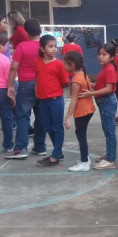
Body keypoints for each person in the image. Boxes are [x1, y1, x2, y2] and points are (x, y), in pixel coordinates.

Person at [5, 18, 46, 160]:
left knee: (22, 116)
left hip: (26, 83)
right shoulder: (45, 46)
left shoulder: (22, 46)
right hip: (42, 83)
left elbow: (14, 67)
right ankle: (40, 147)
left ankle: (21, 148)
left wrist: (10, 85)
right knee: (41, 116)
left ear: (26, 32)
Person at [78, 43, 117, 170]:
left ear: (111, 57)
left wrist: (91, 93)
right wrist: (93, 85)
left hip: (107, 102)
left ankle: (111, 160)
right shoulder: (105, 68)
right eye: (99, 54)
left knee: (110, 131)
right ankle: (109, 154)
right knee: (107, 130)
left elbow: (108, 89)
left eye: (104, 54)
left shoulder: (110, 68)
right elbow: (103, 85)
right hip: (104, 102)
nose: (100, 57)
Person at [35, 35, 69, 167]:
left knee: (57, 127)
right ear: (42, 48)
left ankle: (55, 156)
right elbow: (37, 79)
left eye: (55, 46)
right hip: (43, 101)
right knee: (48, 127)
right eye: (50, 46)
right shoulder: (38, 62)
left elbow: (65, 82)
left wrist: (53, 90)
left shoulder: (59, 64)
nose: (54, 49)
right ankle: (58, 151)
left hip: (55, 101)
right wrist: (38, 92)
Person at [63, 51, 96, 172]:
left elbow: (74, 100)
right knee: (80, 133)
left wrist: (67, 118)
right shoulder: (82, 74)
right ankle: (85, 157)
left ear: (72, 65)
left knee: (81, 135)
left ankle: (84, 162)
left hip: (83, 111)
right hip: (88, 109)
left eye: (65, 63)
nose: (63, 65)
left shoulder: (76, 79)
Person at [0, 33, 13, 152]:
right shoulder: (5, 60)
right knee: (6, 118)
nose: (7, 48)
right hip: (3, 90)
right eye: (7, 45)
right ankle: (8, 144)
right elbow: (10, 78)